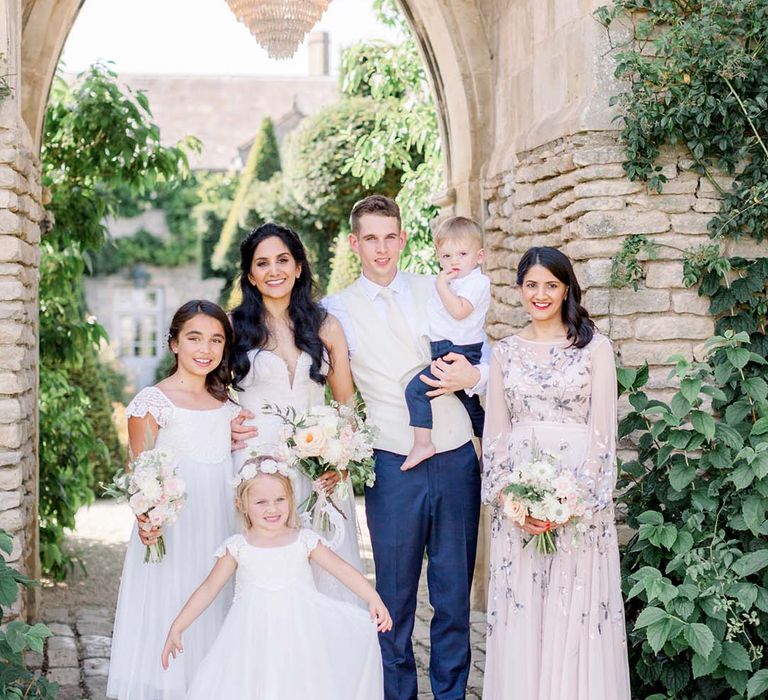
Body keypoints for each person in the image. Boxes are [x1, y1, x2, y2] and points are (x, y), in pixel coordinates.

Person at [324, 195, 486, 700]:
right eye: (369, 238)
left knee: (453, 595)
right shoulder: (335, 309)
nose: (380, 248)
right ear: (355, 243)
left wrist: (473, 375)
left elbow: (481, 344)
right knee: (392, 597)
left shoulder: (439, 286)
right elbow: (331, 388)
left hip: (456, 453)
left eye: (389, 236)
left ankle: (452, 694)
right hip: (391, 461)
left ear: (403, 239)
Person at [481, 246, 631, 699]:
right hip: (520, 506)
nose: (540, 294)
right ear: (519, 290)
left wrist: (574, 501)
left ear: (566, 289)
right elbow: (496, 437)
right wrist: (513, 499)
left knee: (575, 611)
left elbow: (604, 431)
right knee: (525, 609)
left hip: (579, 503)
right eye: (531, 285)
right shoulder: (504, 352)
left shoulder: (595, 348)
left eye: (551, 285)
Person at [161, 456, 390, 700]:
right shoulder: (238, 547)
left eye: (280, 499)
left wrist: (372, 596)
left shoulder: (304, 540)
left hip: (300, 637)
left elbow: (342, 569)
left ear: (290, 499)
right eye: (261, 502)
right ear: (242, 504)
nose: (272, 508)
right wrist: (178, 625)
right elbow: (208, 589)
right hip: (251, 639)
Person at [107, 300, 239, 700]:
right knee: (171, 608)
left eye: (216, 339)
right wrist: (146, 518)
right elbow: (140, 473)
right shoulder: (153, 402)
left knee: (214, 610)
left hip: (219, 526)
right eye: (194, 338)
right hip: (174, 531)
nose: (206, 349)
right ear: (174, 344)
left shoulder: (228, 405)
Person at [228, 222, 365, 606]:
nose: (275, 271)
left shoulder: (326, 326)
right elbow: (207, 391)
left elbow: (345, 404)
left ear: (299, 267)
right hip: (255, 465)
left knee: (320, 573)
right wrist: (226, 426)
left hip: (317, 466)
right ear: (251, 276)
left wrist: (341, 458)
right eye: (263, 263)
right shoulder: (233, 328)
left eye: (283, 260)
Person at [401, 215, 490, 471]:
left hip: (456, 351)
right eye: (446, 256)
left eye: (462, 254)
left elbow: (460, 311)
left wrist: (441, 285)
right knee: (470, 403)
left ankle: (422, 443)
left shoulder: (476, 282)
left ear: (479, 256)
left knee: (416, 391)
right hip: (445, 348)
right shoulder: (456, 281)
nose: (454, 262)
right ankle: (488, 449)